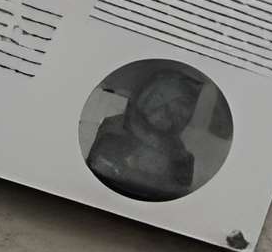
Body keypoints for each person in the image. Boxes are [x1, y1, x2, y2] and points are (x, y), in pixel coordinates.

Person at [86, 61, 208, 201]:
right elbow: (101, 168)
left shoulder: (180, 156)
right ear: (147, 96)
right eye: (161, 100)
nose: (169, 115)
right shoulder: (114, 132)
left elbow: (178, 191)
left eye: (180, 110)